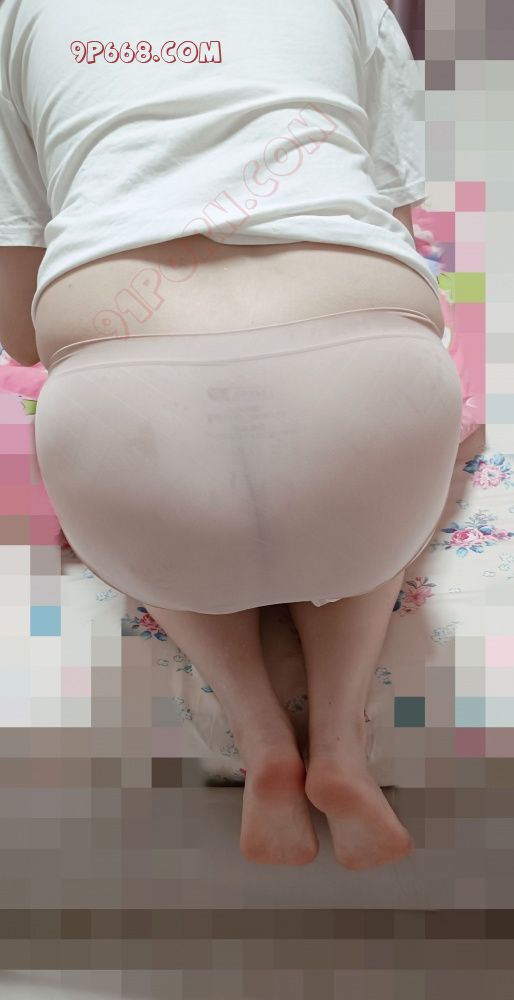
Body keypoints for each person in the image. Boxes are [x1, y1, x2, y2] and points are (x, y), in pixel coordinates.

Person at [0, 0, 462, 869]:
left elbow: (20, 334)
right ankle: (340, 742)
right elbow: (391, 228)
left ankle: (260, 736)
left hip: (127, 409)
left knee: (120, 450)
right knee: (379, 432)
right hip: (362, 385)